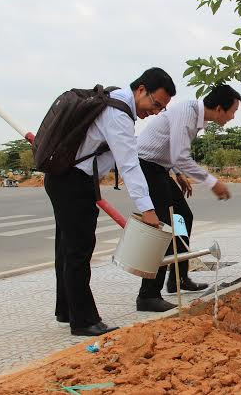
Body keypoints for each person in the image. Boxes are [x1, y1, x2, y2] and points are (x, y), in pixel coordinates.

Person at [45, 67, 176, 336]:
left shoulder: (112, 100)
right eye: (156, 104)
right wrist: (148, 210)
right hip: (73, 181)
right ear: (141, 90)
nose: (156, 111)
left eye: (162, 108)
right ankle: (84, 321)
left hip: (65, 179)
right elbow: (129, 165)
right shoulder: (117, 114)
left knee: (67, 248)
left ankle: (67, 310)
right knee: (78, 251)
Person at [135, 84, 241, 312]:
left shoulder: (196, 117)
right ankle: (148, 295)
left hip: (160, 167)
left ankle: (178, 278)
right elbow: (179, 155)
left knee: (183, 217)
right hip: (146, 166)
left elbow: (171, 150)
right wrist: (213, 182)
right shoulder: (188, 113)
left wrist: (177, 173)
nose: (233, 117)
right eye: (233, 111)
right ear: (220, 109)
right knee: (164, 226)